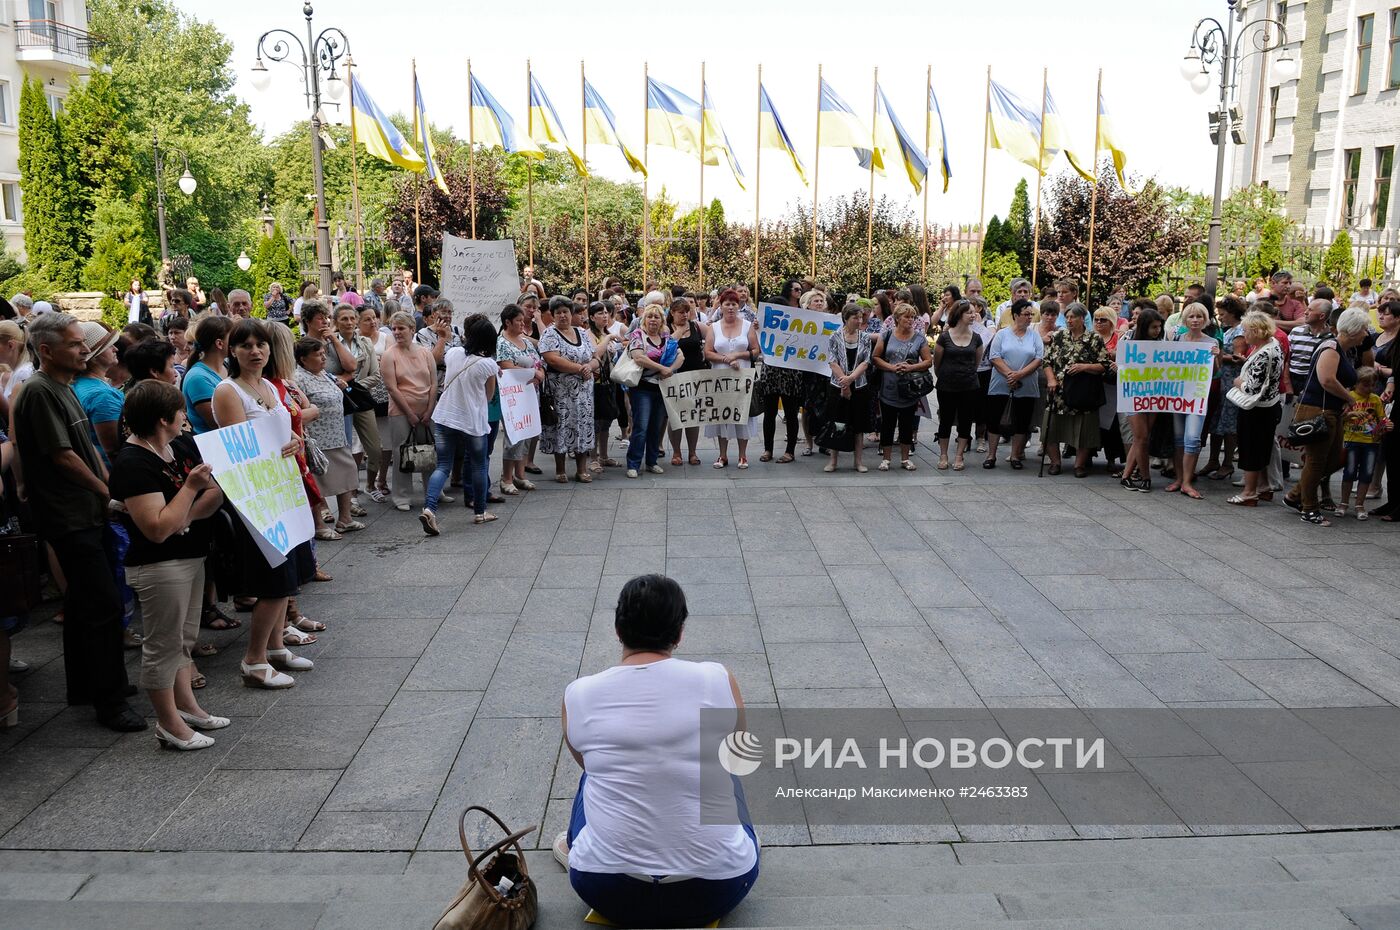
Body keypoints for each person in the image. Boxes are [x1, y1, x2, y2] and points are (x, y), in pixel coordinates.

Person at [557, 574, 760, 929]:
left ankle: (576, 844)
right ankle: (727, 843)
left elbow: (585, 763)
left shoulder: (580, 694)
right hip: (717, 888)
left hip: (606, 889)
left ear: (618, 630)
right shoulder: (715, 678)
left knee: (594, 773)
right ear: (679, 633)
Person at [12, 313, 144, 731]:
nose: (85, 349)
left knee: (84, 603)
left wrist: (106, 488)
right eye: (74, 344)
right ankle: (109, 700)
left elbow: (85, 450)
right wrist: (106, 491)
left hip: (85, 511)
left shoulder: (63, 386)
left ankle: (87, 686)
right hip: (69, 515)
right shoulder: (39, 390)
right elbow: (63, 456)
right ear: (46, 351)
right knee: (103, 605)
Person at [109, 380, 227, 750]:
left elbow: (215, 491)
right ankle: (169, 724)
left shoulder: (180, 444)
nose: (184, 417)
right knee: (163, 645)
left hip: (191, 555)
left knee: (183, 639)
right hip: (159, 565)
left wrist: (184, 517)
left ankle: (188, 708)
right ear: (163, 419)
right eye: (179, 411)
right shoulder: (132, 462)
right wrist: (189, 490)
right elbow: (157, 529)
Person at [211, 319, 316, 687]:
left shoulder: (269, 385)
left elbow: (281, 431)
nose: (255, 351)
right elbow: (241, 450)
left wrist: (294, 441)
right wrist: (279, 446)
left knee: (288, 576)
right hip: (258, 497)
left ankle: (275, 647)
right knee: (273, 580)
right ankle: (254, 660)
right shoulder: (228, 391)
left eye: (261, 344)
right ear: (232, 351)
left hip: (283, 489)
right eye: (246, 345)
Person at [1284, 307, 1369, 525]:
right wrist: (1350, 399)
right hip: (1318, 411)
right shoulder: (1331, 347)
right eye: (1364, 329)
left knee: (1332, 460)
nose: (1366, 334)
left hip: (1330, 411)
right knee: (1317, 461)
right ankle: (1309, 509)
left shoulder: (1342, 349)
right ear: (1354, 329)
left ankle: (1296, 495)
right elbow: (1327, 380)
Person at [422, 315, 501, 534]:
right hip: (472, 421)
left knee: (443, 466)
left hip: (445, 417)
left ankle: (429, 508)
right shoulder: (488, 364)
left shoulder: (454, 353)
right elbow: (489, 396)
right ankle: (480, 512)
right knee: (478, 465)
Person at [295, 337, 361, 536]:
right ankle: (319, 525)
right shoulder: (298, 378)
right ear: (303, 359)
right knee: (317, 482)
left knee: (347, 472)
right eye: (318, 355)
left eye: (324, 353)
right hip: (317, 438)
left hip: (337, 434)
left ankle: (345, 519)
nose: (323, 358)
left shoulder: (324, 373)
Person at [1041, 303, 1112, 478]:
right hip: (1059, 391)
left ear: (1082, 318)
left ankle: (1079, 465)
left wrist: (1084, 367)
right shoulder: (1058, 336)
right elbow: (1047, 361)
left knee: (1085, 430)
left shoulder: (1094, 338)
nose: (1069, 320)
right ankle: (1055, 462)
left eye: (1072, 317)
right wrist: (1051, 379)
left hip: (1083, 392)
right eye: (1067, 317)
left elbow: (1104, 365)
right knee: (1051, 428)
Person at [1160, 303, 1221, 499]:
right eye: (1191, 316)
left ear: (1205, 319)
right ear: (1185, 320)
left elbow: (1214, 371)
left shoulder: (1211, 342)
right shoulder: (1177, 339)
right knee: (1179, 439)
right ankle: (1180, 479)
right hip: (1178, 396)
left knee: (1193, 439)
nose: (1195, 320)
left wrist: (1216, 357)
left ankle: (1187, 481)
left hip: (1197, 397)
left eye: (1199, 316)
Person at [380, 310, 438, 511]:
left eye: (401, 328)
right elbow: (392, 388)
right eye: (394, 328)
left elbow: (433, 382)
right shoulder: (389, 355)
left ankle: (434, 491)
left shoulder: (425, 352)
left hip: (427, 409)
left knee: (430, 450)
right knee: (402, 452)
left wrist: (430, 409)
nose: (397, 332)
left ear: (412, 329)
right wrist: (410, 414)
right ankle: (402, 496)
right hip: (401, 411)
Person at [1227, 310, 1285, 506]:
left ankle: (1249, 492)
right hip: (1269, 405)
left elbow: (1253, 388)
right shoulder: (1272, 345)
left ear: (1256, 331)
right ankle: (1264, 487)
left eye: (1246, 331)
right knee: (1260, 448)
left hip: (1257, 408)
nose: (1244, 334)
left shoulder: (1265, 353)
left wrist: (1238, 382)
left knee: (1251, 448)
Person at [540, 296, 601, 483]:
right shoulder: (549, 334)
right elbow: (552, 359)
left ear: (571, 313)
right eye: (558, 312)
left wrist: (589, 366)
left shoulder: (581, 332)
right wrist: (579, 368)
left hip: (583, 392)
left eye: (565, 312)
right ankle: (560, 469)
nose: (562, 316)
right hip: (560, 392)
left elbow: (595, 357)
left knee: (583, 426)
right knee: (561, 426)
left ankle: (581, 469)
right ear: (552, 315)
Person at [326, 303, 381, 508]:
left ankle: (371, 484)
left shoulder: (365, 343)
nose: (349, 322)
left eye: (351, 318)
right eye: (344, 319)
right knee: (346, 451)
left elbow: (375, 375)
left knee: (375, 449)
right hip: (338, 401)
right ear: (336, 322)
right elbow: (323, 372)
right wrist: (340, 384)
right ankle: (351, 493)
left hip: (361, 399)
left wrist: (353, 386)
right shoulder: (328, 343)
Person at [872, 303, 932, 472]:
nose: (910, 320)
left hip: (910, 388)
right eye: (906, 317)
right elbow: (875, 357)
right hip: (889, 386)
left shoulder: (919, 338)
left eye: (912, 317)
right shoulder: (886, 335)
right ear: (897, 318)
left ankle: (905, 458)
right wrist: (891, 367)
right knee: (887, 423)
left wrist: (911, 367)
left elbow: (928, 361)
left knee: (907, 424)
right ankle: (886, 459)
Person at [984, 299, 1043, 470]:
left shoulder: (1034, 335)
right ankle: (991, 455)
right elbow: (995, 356)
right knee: (994, 419)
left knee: (1022, 421)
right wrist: (1011, 375)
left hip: (1026, 384)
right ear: (1016, 315)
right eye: (1026, 314)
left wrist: (1020, 375)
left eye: (1031, 314)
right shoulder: (1002, 334)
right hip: (1001, 383)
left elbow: (1038, 358)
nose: (1029, 317)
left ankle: (1015, 455)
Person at [702, 294, 756, 469]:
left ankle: (742, 455)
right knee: (721, 414)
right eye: (727, 304)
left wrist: (738, 355)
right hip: (720, 377)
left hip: (742, 376)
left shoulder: (747, 326)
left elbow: (755, 350)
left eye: (734, 304)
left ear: (738, 306)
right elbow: (708, 352)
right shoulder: (714, 327)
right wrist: (726, 359)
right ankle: (722, 454)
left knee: (742, 414)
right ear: (721, 306)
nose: (731, 307)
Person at [626, 306, 680, 477]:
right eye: (649, 316)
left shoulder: (666, 337)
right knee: (641, 426)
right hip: (642, 388)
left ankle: (652, 461)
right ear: (644, 319)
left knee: (656, 427)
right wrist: (662, 368)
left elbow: (681, 356)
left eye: (657, 317)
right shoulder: (637, 335)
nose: (653, 320)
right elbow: (639, 357)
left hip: (661, 388)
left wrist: (670, 369)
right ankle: (633, 464)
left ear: (662, 320)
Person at [496, 304, 543, 495]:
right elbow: (505, 366)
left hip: (529, 394)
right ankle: (506, 478)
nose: (523, 324)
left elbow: (538, 363)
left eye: (523, 320)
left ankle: (520, 475)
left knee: (527, 433)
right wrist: (531, 373)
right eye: (518, 321)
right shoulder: (502, 342)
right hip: (512, 396)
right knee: (513, 436)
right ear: (508, 322)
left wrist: (539, 373)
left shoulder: (526, 342)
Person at [932, 299, 984, 471]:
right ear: (959, 314)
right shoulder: (945, 337)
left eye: (974, 312)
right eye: (969, 312)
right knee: (945, 419)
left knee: (965, 420)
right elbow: (937, 363)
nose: (973, 315)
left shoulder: (976, 338)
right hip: (946, 385)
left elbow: (977, 363)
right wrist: (945, 375)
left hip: (969, 386)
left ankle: (959, 455)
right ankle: (943, 455)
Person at [824, 303, 873, 473]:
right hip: (837, 384)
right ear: (846, 318)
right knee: (837, 422)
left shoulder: (865, 337)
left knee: (859, 425)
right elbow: (832, 361)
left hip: (859, 385)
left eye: (861, 317)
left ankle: (858, 461)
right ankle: (833, 461)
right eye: (855, 318)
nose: (859, 321)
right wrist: (844, 382)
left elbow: (866, 361)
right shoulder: (834, 336)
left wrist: (851, 378)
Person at [71, 323, 126, 468]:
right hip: (109, 471)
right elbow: (114, 449)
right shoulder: (102, 396)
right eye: (109, 346)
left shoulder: (76, 383)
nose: (115, 349)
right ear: (94, 357)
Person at [1337, 366, 1387, 520]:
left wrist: (1385, 426)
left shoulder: (1375, 399)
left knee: (1367, 473)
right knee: (1349, 472)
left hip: (1371, 442)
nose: (1369, 388)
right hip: (1352, 440)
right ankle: (1344, 503)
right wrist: (1351, 414)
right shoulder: (1349, 397)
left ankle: (1360, 504)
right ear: (1356, 383)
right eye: (1365, 385)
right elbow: (1340, 417)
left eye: (1372, 385)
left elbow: (1382, 419)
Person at [665, 299, 707, 466]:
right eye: (681, 312)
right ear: (672, 313)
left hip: (695, 377)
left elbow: (714, 337)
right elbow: (667, 346)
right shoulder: (666, 328)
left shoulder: (697, 326)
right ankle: (676, 452)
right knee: (675, 416)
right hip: (674, 377)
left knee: (693, 416)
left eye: (687, 312)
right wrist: (680, 331)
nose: (684, 315)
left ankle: (692, 452)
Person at [588, 302, 625, 471]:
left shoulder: (607, 333)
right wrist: (608, 339)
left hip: (609, 382)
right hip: (595, 384)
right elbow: (595, 352)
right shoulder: (589, 334)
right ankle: (593, 458)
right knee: (595, 422)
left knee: (606, 421)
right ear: (591, 317)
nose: (605, 316)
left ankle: (604, 456)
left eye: (606, 313)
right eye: (600, 313)